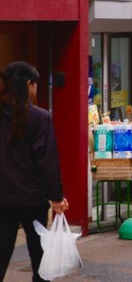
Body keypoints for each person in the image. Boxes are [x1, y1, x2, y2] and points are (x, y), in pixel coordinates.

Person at [0, 62, 69, 282]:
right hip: (33, 199)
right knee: (40, 257)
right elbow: (47, 161)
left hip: (3, 200)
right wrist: (56, 197)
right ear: (29, 84)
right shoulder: (40, 118)